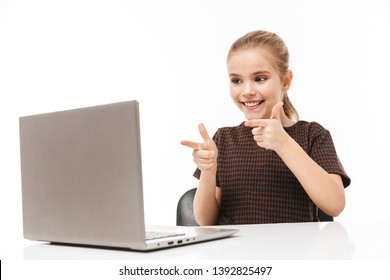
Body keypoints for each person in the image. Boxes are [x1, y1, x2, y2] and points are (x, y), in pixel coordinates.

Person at [180, 30, 351, 225]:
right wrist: (208, 171)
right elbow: (205, 222)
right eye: (237, 81)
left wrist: (284, 144)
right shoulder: (224, 139)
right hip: (235, 253)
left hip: (294, 252)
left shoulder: (313, 135)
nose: (247, 91)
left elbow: (335, 205)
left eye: (260, 79)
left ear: (285, 81)